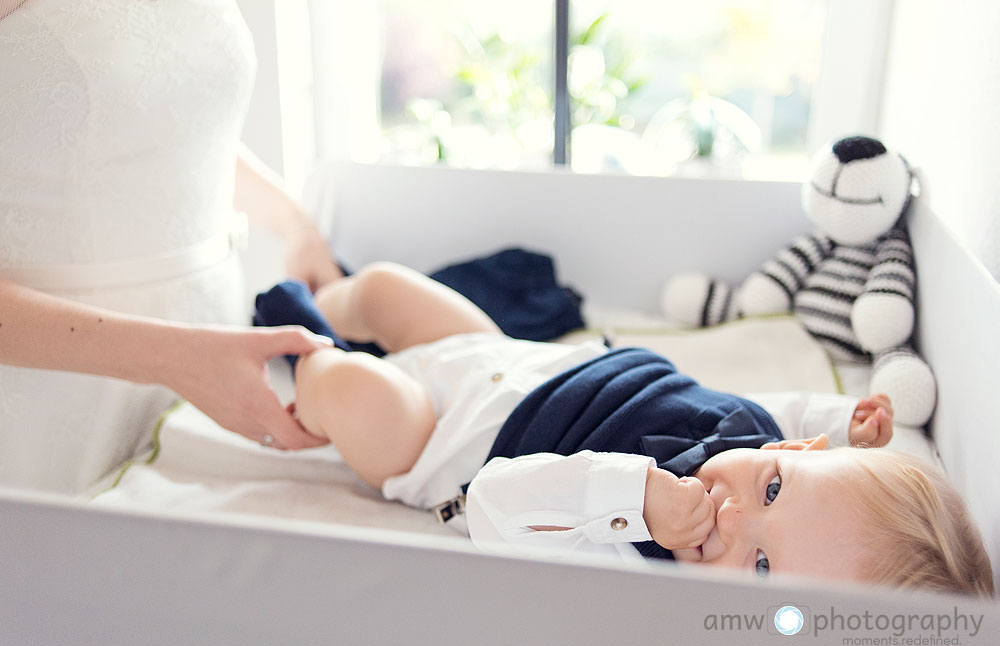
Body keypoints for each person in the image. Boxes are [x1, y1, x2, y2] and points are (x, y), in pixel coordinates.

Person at [281, 262, 993, 598]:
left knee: (354, 392)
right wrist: (842, 419)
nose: (733, 513)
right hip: (511, 358)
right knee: (381, 288)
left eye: (762, 565)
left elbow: (495, 502)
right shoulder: (757, 435)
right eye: (775, 488)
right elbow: (787, 413)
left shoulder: (637, 567)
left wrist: (631, 495)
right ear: (794, 452)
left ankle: (295, 360)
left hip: (441, 436)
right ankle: (325, 291)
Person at [0, 0, 341, 494]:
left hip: (213, 347)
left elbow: (162, 118)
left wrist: (295, 224)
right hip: (54, 389)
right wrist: (175, 359)